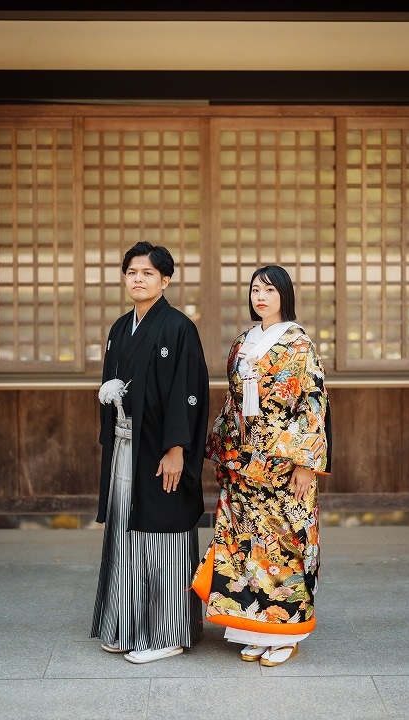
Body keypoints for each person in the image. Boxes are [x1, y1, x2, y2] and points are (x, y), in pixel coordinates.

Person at [195, 265, 329, 668]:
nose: (261, 296)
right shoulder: (242, 342)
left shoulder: (299, 343)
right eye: (256, 289)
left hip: (285, 462)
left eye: (269, 289)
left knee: (285, 543)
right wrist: (223, 452)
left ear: (284, 295)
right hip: (243, 459)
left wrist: (305, 462)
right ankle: (253, 629)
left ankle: (287, 631)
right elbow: (231, 402)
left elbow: (313, 404)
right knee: (244, 546)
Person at [91, 241, 210, 664]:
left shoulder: (179, 328)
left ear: (165, 279)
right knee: (126, 530)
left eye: (147, 273)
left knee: (165, 534)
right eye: (131, 272)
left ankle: (169, 632)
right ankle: (125, 624)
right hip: (126, 446)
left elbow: (188, 392)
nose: (138, 279)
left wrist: (176, 448)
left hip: (161, 448)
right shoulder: (121, 328)